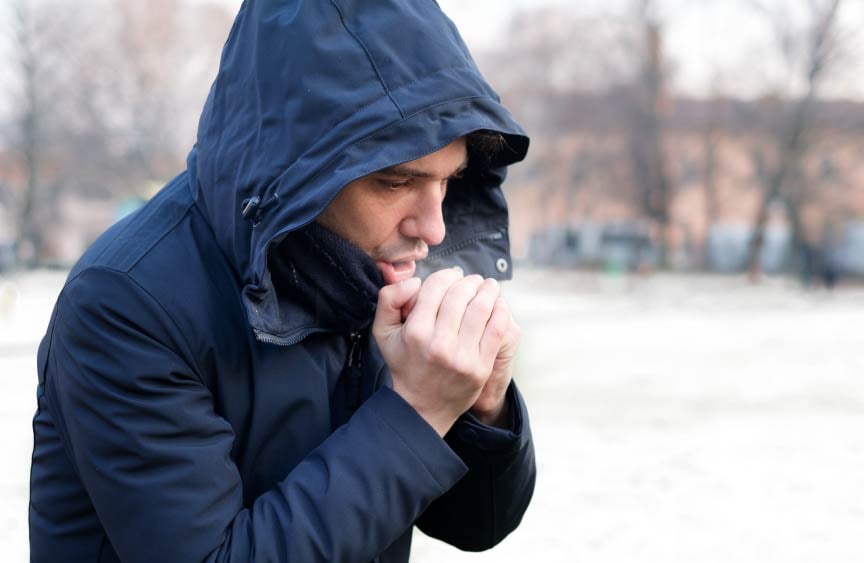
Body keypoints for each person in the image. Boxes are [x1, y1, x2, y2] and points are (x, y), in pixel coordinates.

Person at [28, 1, 535, 561]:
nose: (434, 229)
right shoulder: (126, 305)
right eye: (396, 182)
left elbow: (478, 524)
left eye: (449, 181)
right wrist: (418, 411)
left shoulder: (369, 267)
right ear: (298, 167)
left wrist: (483, 407)